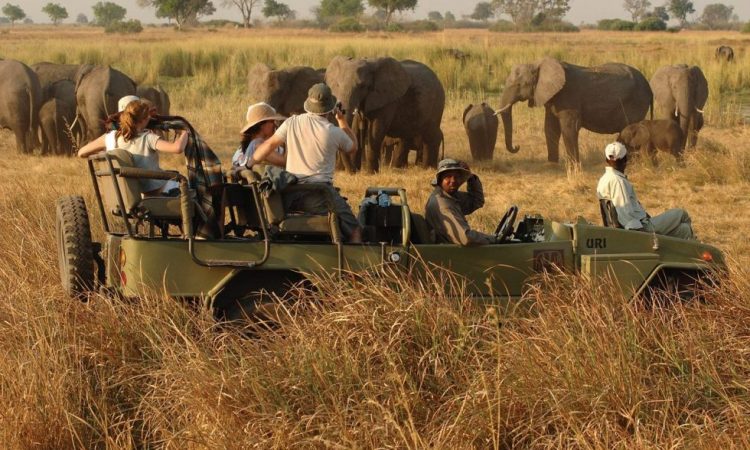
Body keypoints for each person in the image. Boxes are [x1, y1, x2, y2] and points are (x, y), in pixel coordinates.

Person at [250, 83, 362, 243]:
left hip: (290, 194)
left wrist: (248, 164)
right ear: (330, 108)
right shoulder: (333, 131)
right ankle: (354, 267)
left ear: (308, 105)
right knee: (355, 229)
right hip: (319, 194)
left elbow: (267, 146)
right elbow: (353, 147)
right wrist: (342, 120)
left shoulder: (291, 122)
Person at [77, 99, 189, 197]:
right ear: (143, 120)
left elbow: (81, 153)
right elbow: (177, 148)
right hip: (153, 192)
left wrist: (104, 155)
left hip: (126, 194)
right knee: (184, 183)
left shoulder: (109, 138)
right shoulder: (148, 138)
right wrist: (184, 132)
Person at [597, 141, 694, 239]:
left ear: (606, 159)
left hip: (640, 225)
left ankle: (691, 246)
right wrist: (640, 234)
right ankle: (696, 247)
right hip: (641, 229)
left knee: (684, 230)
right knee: (682, 214)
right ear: (625, 160)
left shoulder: (604, 179)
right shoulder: (618, 181)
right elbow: (625, 212)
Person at [425, 158, 497, 246]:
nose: (453, 180)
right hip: (447, 255)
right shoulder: (443, 205)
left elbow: (476, 201)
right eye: (448, 176)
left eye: (457, 177)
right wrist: (493, 239)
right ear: (440, 180)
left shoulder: (450, 196)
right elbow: (465, 238)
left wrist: (470, 178)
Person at [230, 102, 285, 176]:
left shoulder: (241, 149)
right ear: (262, 125)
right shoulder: (259, 145)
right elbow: (285, 162)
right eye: (272, 121)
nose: (275, 125)